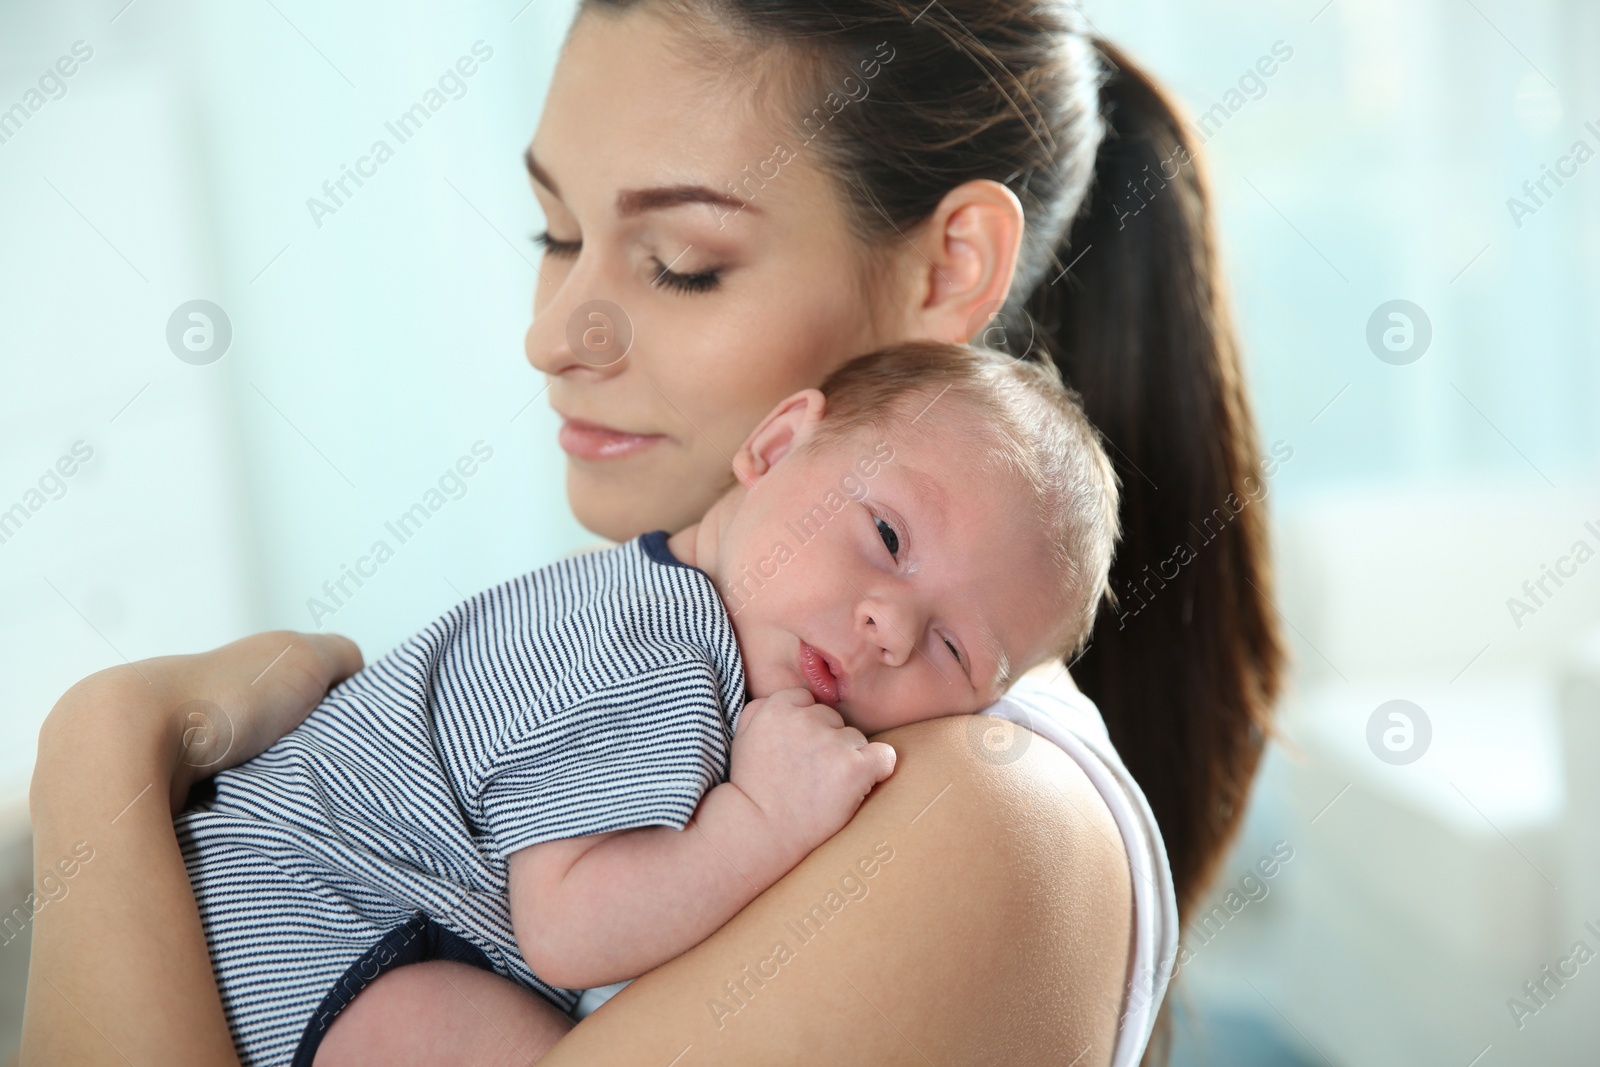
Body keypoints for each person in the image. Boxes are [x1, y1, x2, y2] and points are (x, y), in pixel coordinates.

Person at [22, 2, 1284, 1065]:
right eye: (556, 234)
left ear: (950, 265)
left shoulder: (979, 813)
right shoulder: (684, 633)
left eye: (680, 262)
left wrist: (101, 750)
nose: (553, 335)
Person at [179, 342, 1120, 1066]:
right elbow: (566, 926)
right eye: (884, 534)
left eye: (953, 650)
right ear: (776, 442)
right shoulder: (661, 655)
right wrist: (758, 822)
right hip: (304, 921)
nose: (890, 626)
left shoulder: (658, 598)